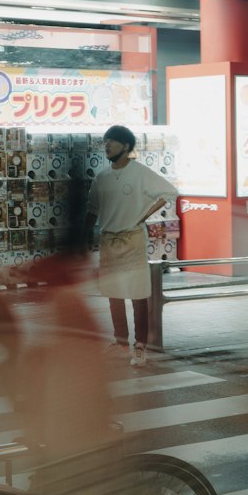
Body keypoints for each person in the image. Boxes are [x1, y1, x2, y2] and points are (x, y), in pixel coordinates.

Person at [84, 125, 176, 369]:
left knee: (137, 295)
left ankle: (140, 347)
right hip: (108, 239)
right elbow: (92, 209)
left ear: (125, 146)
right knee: (114, 295)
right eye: (105, 141)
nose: (107, 146)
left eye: (112, 142)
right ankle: (120, 342)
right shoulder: (101, 177)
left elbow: (169, 192)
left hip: (133, 238)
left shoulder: (140, 173)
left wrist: (143, 217)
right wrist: (84, 237)